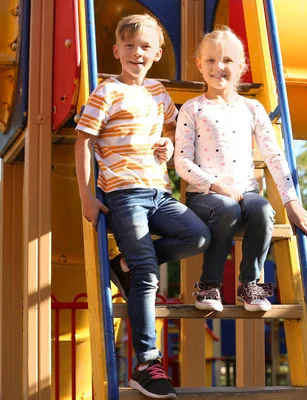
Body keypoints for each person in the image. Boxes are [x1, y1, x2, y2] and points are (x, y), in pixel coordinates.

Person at [75, 14, 211, 399]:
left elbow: (171, 129)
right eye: (130, 46)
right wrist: (87, 195)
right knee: (148, 274)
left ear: (157, 53)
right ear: (117, 51)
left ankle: (125, 265)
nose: (137, 53)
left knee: (198, 235)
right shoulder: (107, 92)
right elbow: (83, 142)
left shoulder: (159, 93)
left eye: (145, 47)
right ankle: (146, 363)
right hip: (123, 192)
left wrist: (169, 145)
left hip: (159, 192)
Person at [174, 27, 307, 313]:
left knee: (262, 209)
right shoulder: (192, 109)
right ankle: (209, 284)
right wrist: (218, 185)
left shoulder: (252, 109)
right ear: (199, 65)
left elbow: (274, 155)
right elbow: (182, 162)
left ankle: (250, 283)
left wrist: (292, 200)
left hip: (246, 193)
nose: (218, 67)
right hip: (205, 196)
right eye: (210, 61)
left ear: (240, 67)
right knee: (226, 209)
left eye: (227, 61)